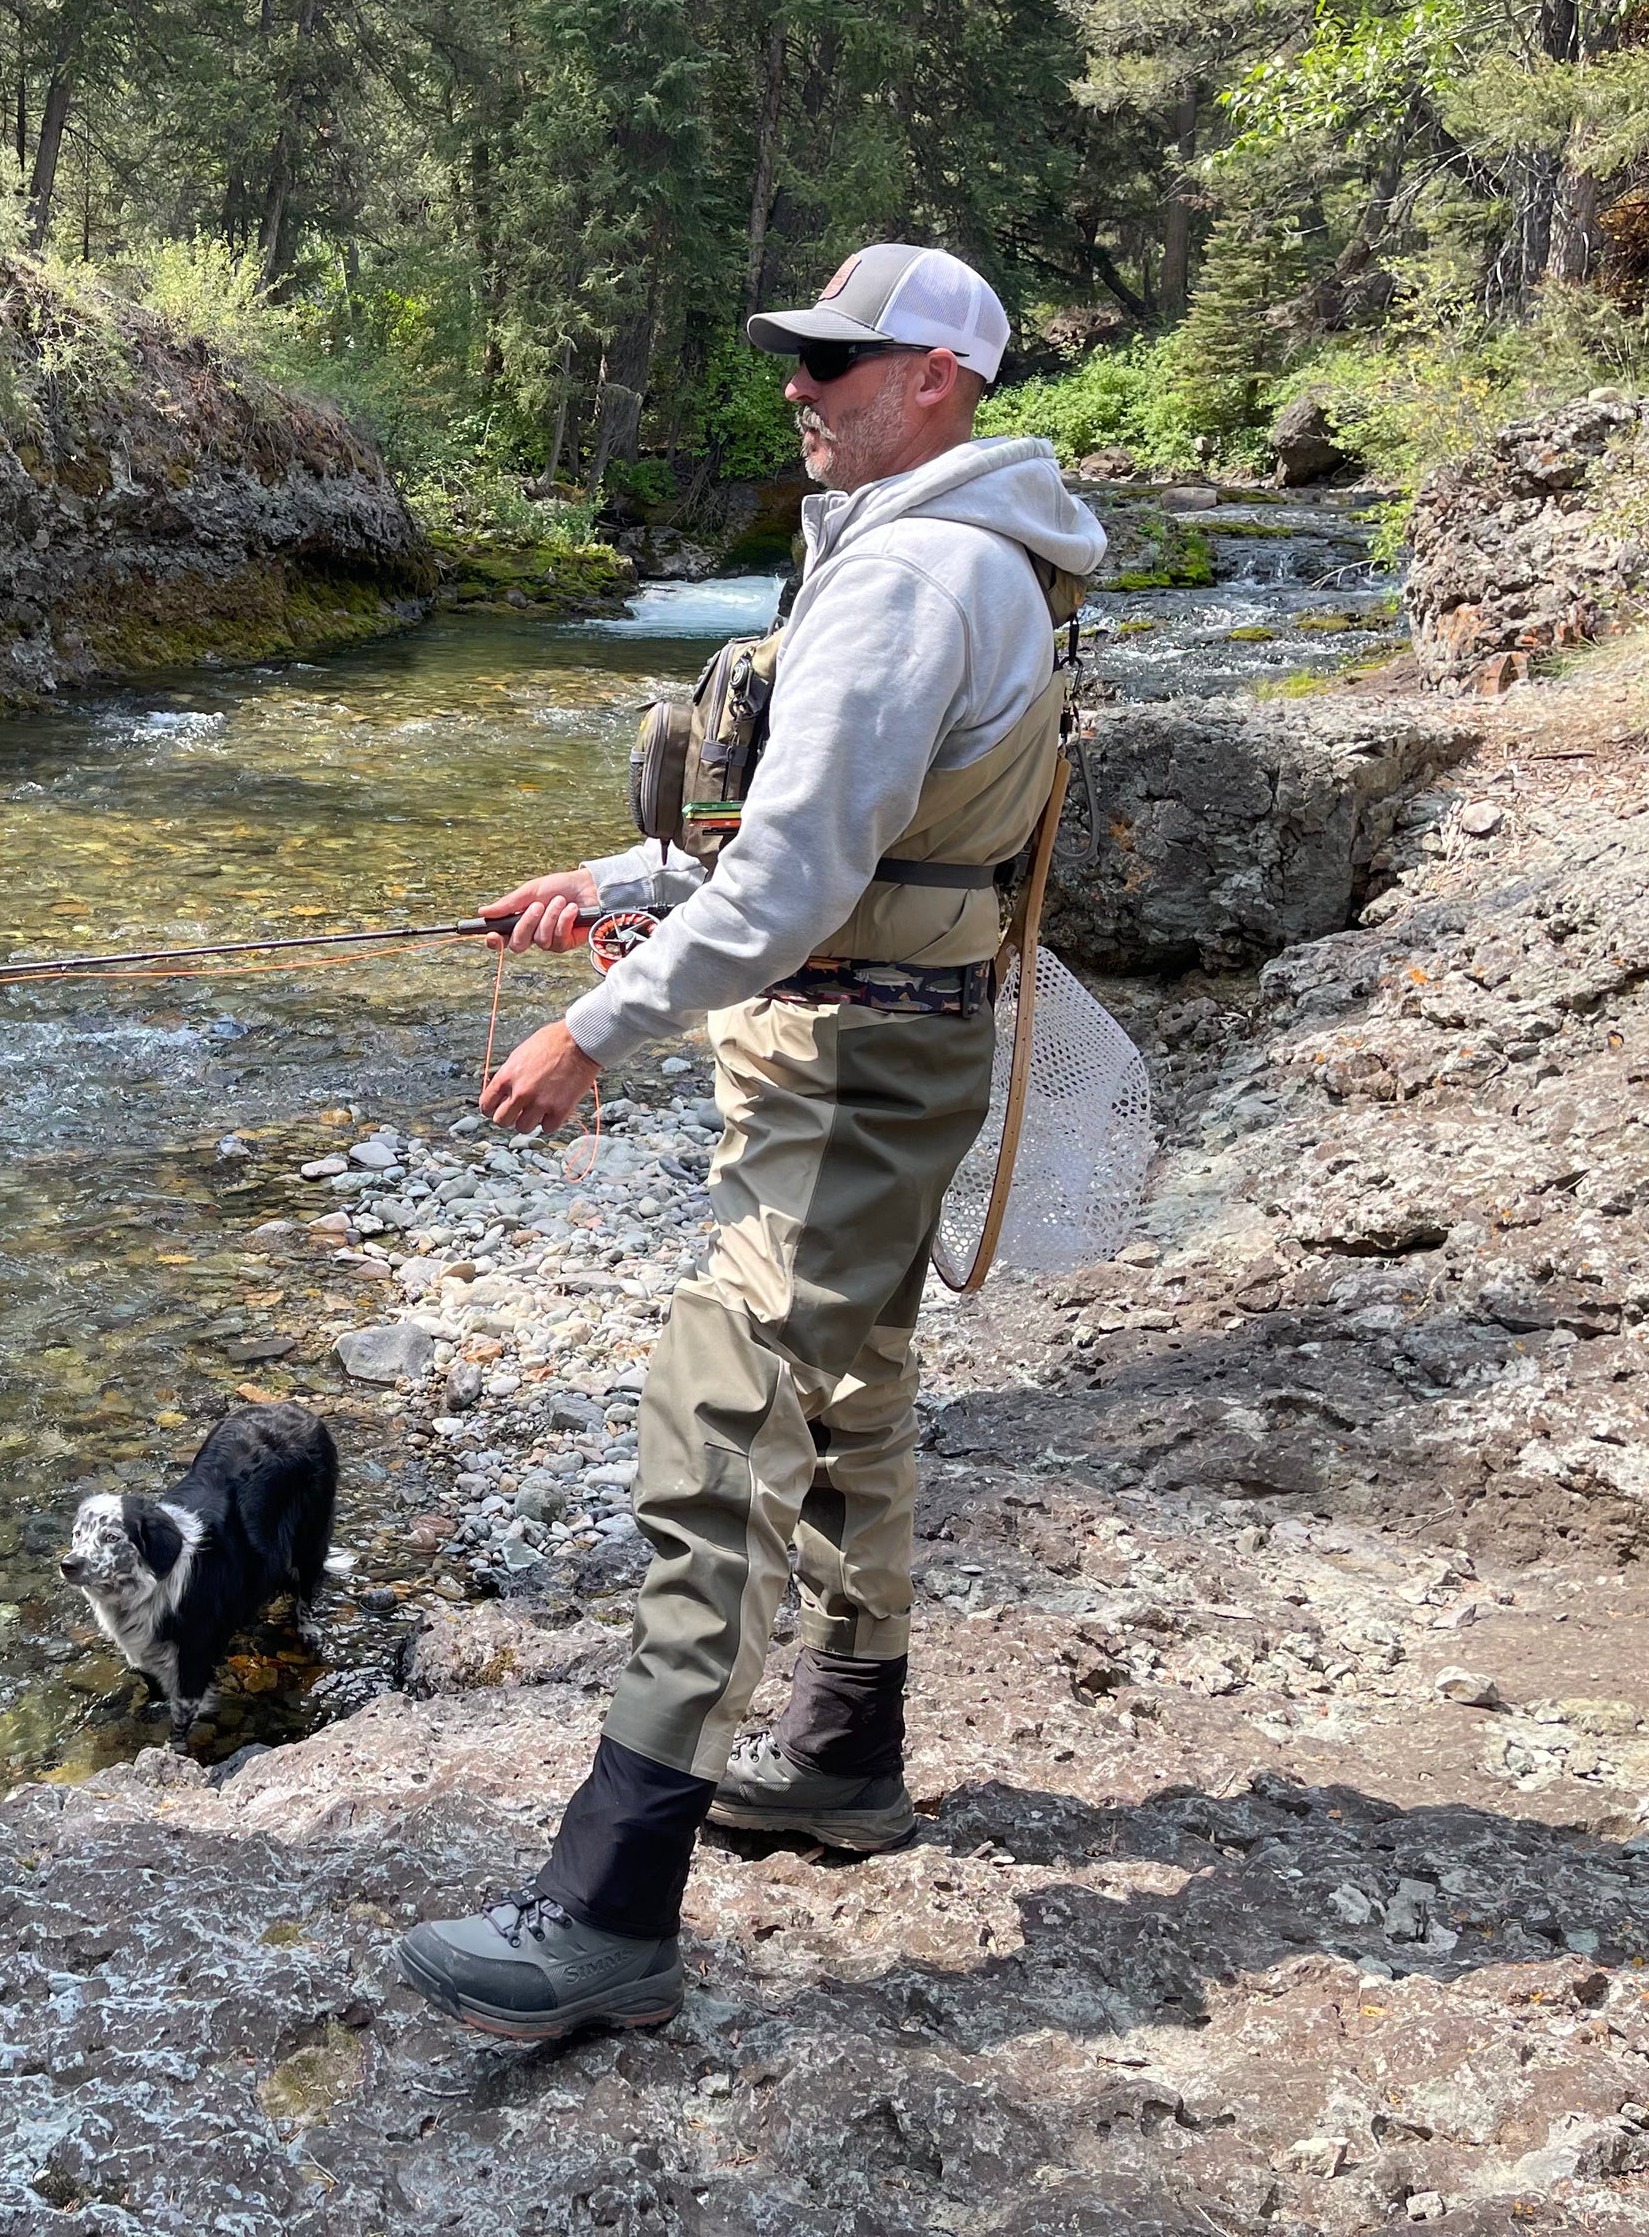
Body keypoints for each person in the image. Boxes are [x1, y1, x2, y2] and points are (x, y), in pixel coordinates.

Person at [395, 244, 1108, 2041]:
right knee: (853, 1389)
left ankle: (612, 1904)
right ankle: (843, 1754)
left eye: (839, 361)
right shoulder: (969, 552)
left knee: (720, 1433)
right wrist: (613, 885)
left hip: (848, 1067)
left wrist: (592, 1030)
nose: (801, 384)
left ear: (939, 377)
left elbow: (791, 888)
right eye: (801, 356)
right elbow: (847, 838)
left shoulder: (911, 577)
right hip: (898, 1052)